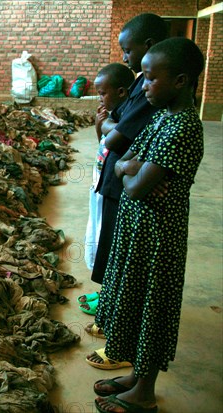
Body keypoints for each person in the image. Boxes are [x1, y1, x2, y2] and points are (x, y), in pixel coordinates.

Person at [92, 37, 205, 413]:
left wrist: (126, 169)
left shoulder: (184, 127)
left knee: (153, 308)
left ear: (181, 80)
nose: (145, 86)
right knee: (134, 302)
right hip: (138, 230)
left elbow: (138, 184)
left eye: (152, 79)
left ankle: (145, 392)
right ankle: (136, 375)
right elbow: (132, 158)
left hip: (159, 237)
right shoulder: (161, 115)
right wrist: (130, 167)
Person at [85, 13, 168, 368]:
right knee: (113, 255)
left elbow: (117, 137)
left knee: (128, 269)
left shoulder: (159, 106)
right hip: (123, 188)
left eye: (127, 50)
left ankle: (120, 339)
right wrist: (107, 130)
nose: (124, 57)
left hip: (134, 197)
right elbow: (112, 136)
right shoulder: (141, 87)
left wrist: (106, 125)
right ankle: (110, 316)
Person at [78, 63, 135, 317]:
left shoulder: (127, 114)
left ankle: (109, 299)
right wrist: (98, 126)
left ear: (122, 92)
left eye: (103, 93)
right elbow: (103, 143)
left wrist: (105, 126)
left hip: (116, 187)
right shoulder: (118, 112)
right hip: (104, 184)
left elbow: (115, 139)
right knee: (102, 238)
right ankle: (107, 293)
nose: (100, 98)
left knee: (111, 244)